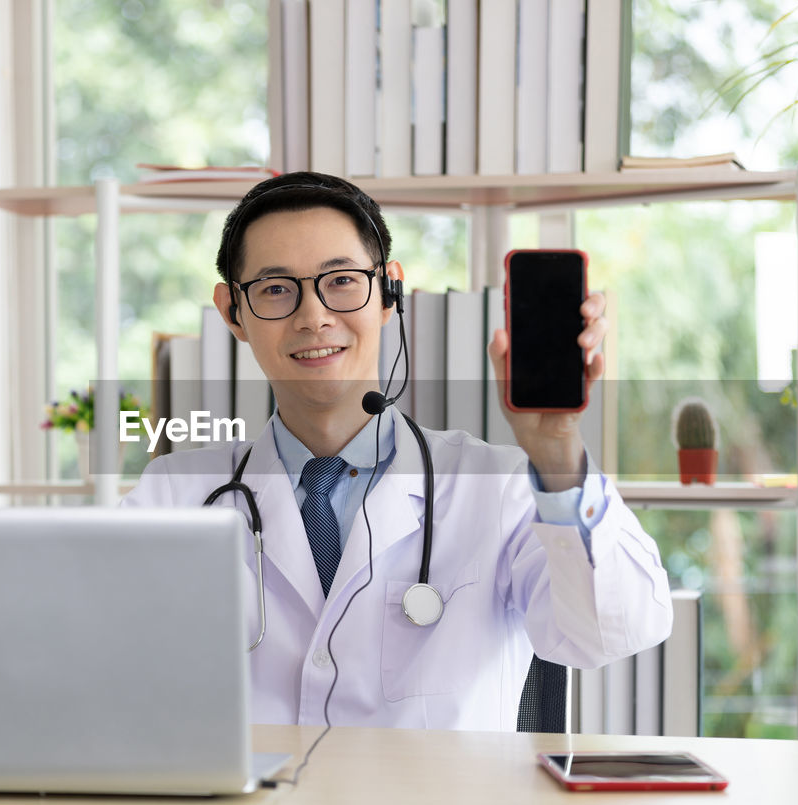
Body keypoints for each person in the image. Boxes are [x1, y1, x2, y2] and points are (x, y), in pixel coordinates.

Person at [121, 172, 672, 731]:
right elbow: (96, 661)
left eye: (340, 281)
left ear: (389, 292)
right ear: (232, 312)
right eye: (276, 289)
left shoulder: (498, 487)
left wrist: (557, 454)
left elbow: (615, 631)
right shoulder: (175, 494)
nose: (313, 317)